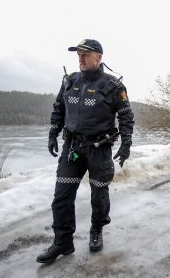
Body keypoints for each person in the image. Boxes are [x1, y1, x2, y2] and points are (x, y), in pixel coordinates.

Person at [36, 39, 134, 263]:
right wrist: (53, 134)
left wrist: (126, 143)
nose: (80, 58)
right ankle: (63, 242)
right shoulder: (70, 81)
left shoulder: (112, 85)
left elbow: (126, 115)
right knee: (61, 197)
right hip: (72, 148)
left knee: (99, 194)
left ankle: (97, 228)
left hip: (99, 149)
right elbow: (58, 108)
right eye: (79, 54)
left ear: (99, 57)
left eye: (85, 54)